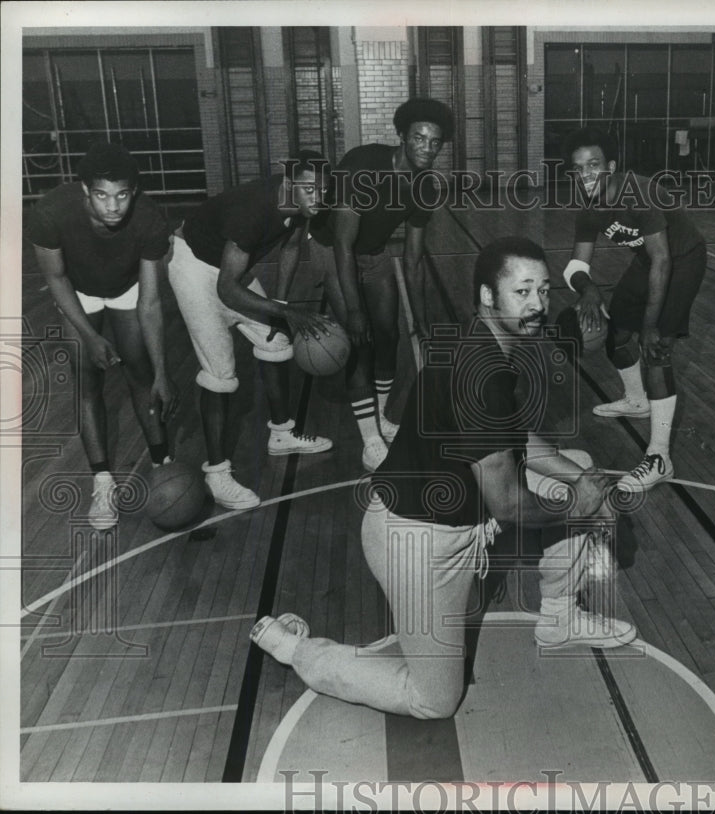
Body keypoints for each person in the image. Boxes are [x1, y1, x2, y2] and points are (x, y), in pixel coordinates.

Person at [252, 237, 636, 719]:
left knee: (576, 466)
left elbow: (515, 441)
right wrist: (578, 504)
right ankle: (296, 650)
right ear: (488, 296)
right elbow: (509, 505)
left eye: (543, 290)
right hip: (415, 545)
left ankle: (558, 619)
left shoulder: (484, 341)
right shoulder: (480, 377)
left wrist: (586, 481)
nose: (538, 304)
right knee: (433, 700)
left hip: (456, 523)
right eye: (523, 292)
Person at [167, 152, 335, 510]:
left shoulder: (301, 205)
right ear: (289, 185)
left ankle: (282, 434)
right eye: (309, 189)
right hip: (194, 267)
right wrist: (286, 313)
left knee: (277, 343)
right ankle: (216, 472)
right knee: (220, 373)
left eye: (323, 189)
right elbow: (227, 290)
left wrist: (283, 306)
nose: (317, 197)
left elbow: (290, 248)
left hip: (228, 268)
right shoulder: (252, 212)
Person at [28, 142, 178, 530]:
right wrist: (90, 338)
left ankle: (164, 464)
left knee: (142, 375)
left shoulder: (149, 220)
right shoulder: (49, 213)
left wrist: (164, 371)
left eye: (122, 195)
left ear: (135, 193)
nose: (113, 207)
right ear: (84, 192)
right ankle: (102, 481)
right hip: (77, 291)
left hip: (127, 287)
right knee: (87, 382)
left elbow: (150, 302)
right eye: (101, 195)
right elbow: (56, 279)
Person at [308, 98, 454, 472]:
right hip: (330, 249)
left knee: (389, 334)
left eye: (435, 142)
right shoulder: (363, 167)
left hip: (372, 254)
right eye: (419, 138)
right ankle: (370, 441)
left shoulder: (426, 187)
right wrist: (355, 310)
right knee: (361, 338)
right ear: (402, 136)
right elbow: (342, 244)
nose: (426, 147)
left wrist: (419, 320)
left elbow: (413, 258)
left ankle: (383, 417)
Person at [561, 127, 707, 493]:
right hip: (648, 261)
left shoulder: (637, 192)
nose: (587, 175)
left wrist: (652, 325)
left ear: (610, 166)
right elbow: (574, 267)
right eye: (579, 169)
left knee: (655, 349)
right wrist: (589, 288)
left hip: (683, 259)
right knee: (617, 331)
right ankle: (636, 399)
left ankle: (659, 458)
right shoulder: (589, 210)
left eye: (594, 165)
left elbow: (663, 260)